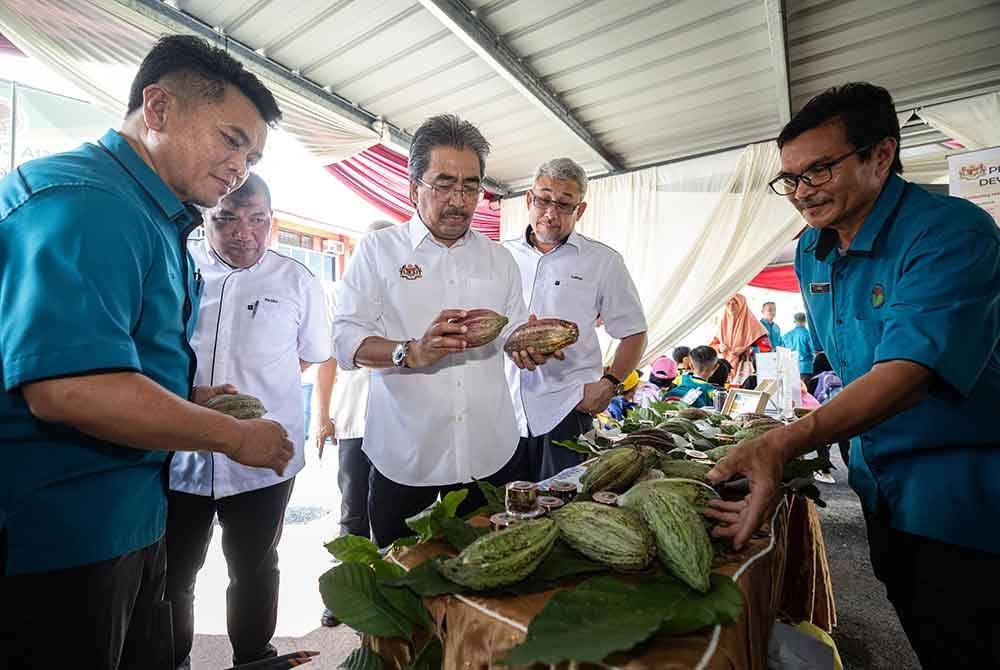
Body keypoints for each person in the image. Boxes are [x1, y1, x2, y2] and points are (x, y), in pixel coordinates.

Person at [0, 35, 289, 670]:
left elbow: (114, 357)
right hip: (59, 536)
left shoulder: (155, 217)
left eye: (253, 155)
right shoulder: (86, 203)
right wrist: (233, 438)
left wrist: (182, 395)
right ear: (156, 108)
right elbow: (69, 389)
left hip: (128, 518)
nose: (240, 166)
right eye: (231, 140)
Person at [706, 82, 1000, 668]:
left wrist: (784, 441)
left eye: (817, 171)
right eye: (789, 179)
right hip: (878, 487)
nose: (801, 193)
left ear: (881, 155)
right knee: (925, 627)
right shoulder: (815, 251)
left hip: (965, 497)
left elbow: (908, 372)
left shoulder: (950, 232)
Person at [331, 115, 561, 547]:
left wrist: (529, 347)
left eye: (471, 186)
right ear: (413, 186)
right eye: (444, 184)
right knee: (402, 591)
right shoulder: (380, 251)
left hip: (489, 455)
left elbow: (511, 334)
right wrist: (409, 352)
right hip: (406, 456)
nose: (459, 200)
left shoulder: (499, 260)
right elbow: (345, 339)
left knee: (484, 580)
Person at [166, 175, 330, 668]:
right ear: (206, 219)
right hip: (181, 451)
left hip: (265, 455)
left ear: (271, 222)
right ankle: (174, 658)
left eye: (258, 221)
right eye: (228, 219)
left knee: (255, 567)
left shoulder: (296, 279)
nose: (244, 234)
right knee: (176, 573)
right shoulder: (180, 269)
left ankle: (254, 657)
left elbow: (311, 356)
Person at [504, 157, 647, 480]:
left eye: (564, 204)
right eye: (543, 199)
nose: (550, 213)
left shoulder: (603, 262)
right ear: (529, 199)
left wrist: (610, 385)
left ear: (579, 210)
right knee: (495, 511)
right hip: (500, 409)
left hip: (567, 409)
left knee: (562, 507)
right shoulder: (500, 256)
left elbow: (634, 332)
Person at [315, 220, 395, 630]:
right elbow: (328, 360)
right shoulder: (345, 296)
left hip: (400, 422)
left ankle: (388, 589)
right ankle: (345, 595)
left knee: (392, 509)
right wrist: (321, 415)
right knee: (352, 508)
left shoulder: (409, 293)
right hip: (353, 418)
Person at [711, 294, 772, 383]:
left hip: (746, 372)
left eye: (735, 303)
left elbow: (767, 350)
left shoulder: (754, 325)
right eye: (728, 303)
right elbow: (712, 346)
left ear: (742, 306)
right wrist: (719, 347)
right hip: (724, 371)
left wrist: (747, 349)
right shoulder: (722, 324)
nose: (731, 306)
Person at [783, 312, 816, 385]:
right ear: (805, 321)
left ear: (794, 321)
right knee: (806, 393)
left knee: (794, 393)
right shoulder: (808, 334)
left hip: (792, 368)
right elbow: (815, 350)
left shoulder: (786, 336)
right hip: (806, 368)